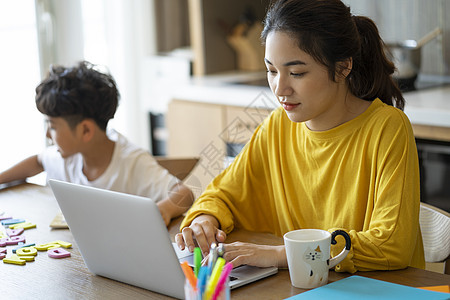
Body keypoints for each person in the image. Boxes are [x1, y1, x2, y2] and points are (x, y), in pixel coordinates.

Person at [176, 0, 425, 273]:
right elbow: (222, 194)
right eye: (271, 71)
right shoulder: (277, 127)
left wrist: (282, 255)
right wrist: (205, 219)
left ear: (343, 68)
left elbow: (391, 244)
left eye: (296, 73)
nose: (280, 88)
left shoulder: (387, 128)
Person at [0, 61, 193, 226]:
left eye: (53, 126)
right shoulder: (67, 156)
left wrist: (163, 210)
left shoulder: (132, 162)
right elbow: (38, 162)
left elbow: (184, 194)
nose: (48, 135)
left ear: (86, 130)